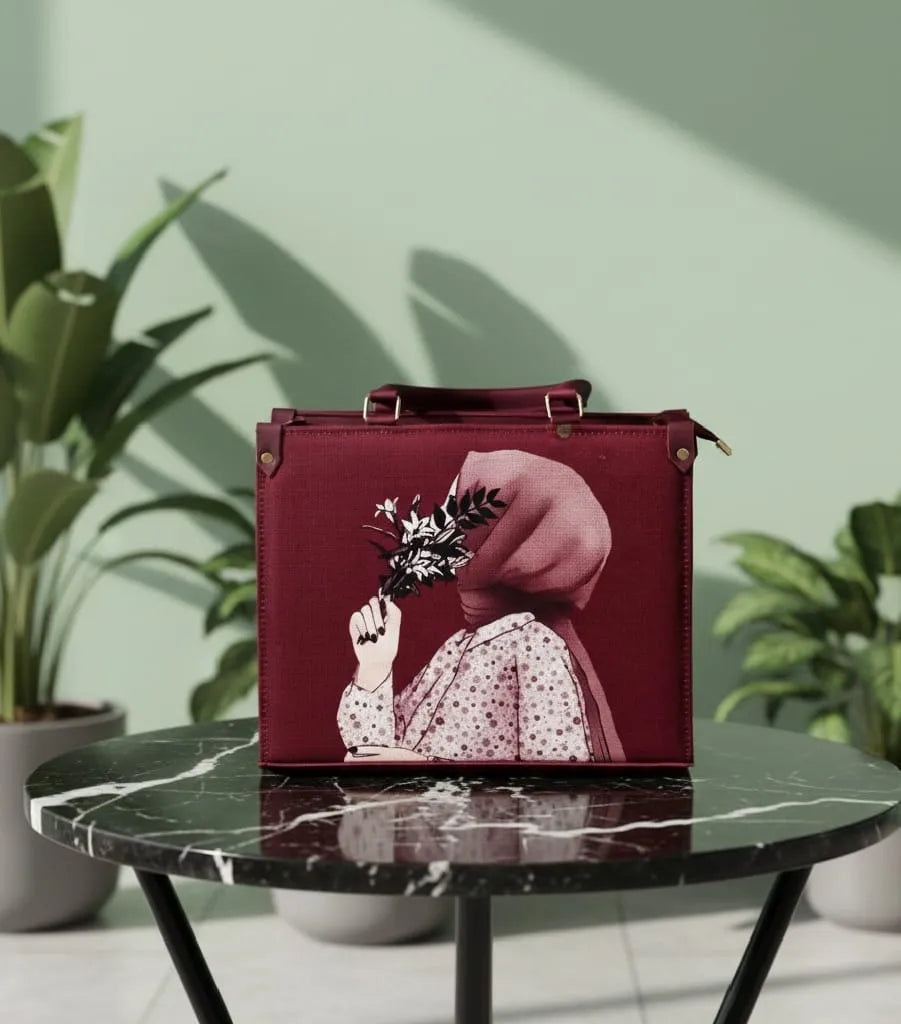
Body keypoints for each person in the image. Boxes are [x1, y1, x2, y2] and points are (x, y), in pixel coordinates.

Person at [337, 449, 625, 763]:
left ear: (509, 535)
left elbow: (553, 790)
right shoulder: (461, 645)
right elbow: (370, 751)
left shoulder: (536, 646)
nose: (437, 531)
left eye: (454, 518)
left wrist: (427, 770)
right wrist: (374, 668)